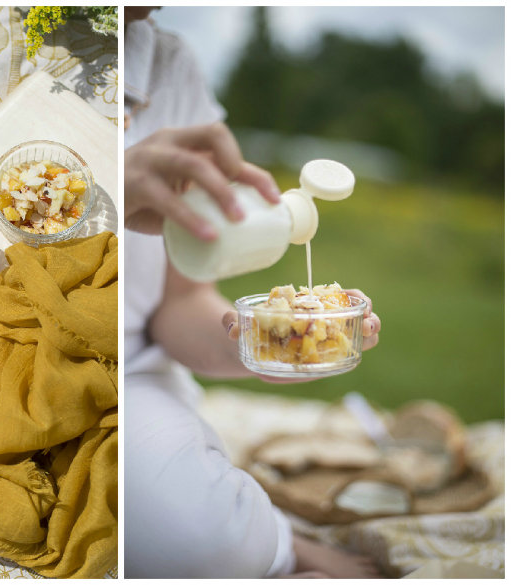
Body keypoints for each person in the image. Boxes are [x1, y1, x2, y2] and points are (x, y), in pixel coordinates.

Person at [124, 8, 382, 579]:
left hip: (127, 375)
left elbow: (180, 302)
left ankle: (271, 545)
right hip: (24, 345)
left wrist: (267, 349)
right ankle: (285, 548)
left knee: (203, 544)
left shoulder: (170, 66)